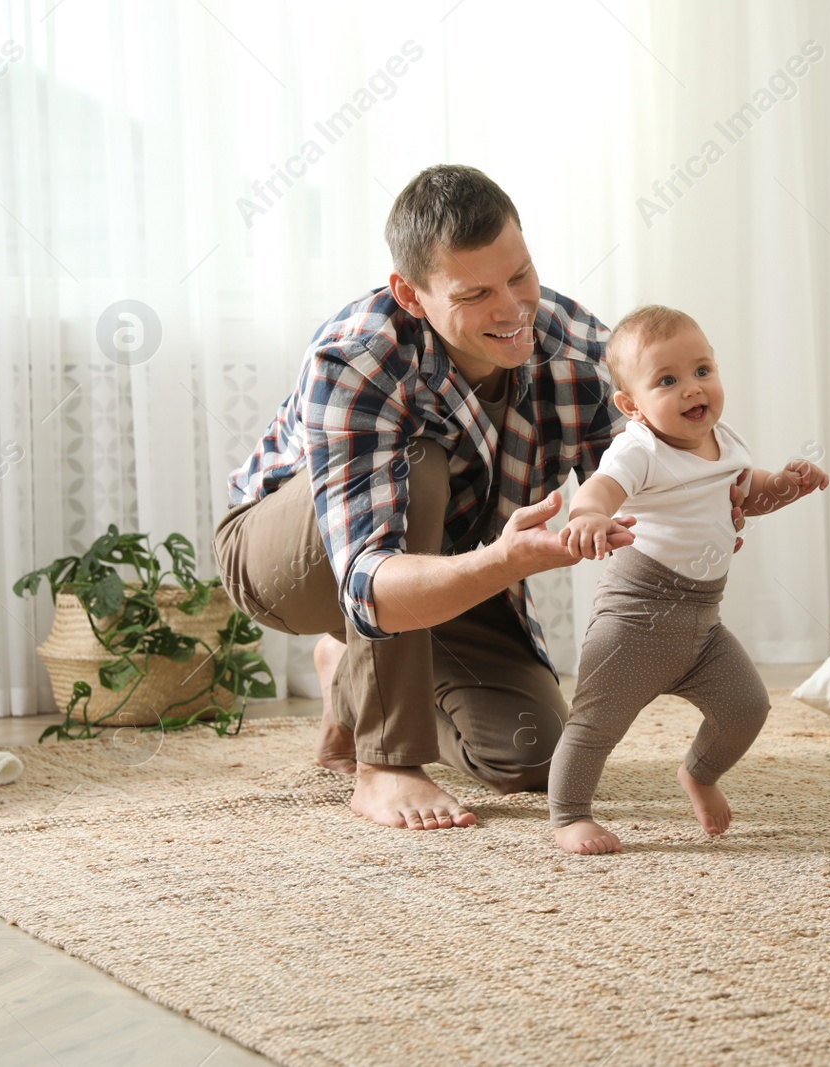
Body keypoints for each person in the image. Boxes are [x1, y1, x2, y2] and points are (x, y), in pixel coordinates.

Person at [212, 165, 751, 831]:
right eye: (476, 293)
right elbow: (367, 573)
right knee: (421, 462)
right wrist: (504, 563)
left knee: (534, 751)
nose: (514, 309)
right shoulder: (359, 357)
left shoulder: (575, 347)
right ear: (411, 295)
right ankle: (385, 762)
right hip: (293, 563)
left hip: (449, 559)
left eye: (519, 275)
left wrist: (712, 497)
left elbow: (651, 458)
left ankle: (347, 671)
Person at [547, 306, 828, 855]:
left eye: (702, 371)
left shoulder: (727, 440)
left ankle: (698, 773)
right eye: (667, 381)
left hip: (702, 620)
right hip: (637, 617)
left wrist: (789, 483)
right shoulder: (640, 448)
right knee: (595, 725)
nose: (692, 389)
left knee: (748, 706)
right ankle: (569, 815)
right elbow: (602, 488)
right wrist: (586, 517)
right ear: (633, 406)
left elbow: (750, 494)